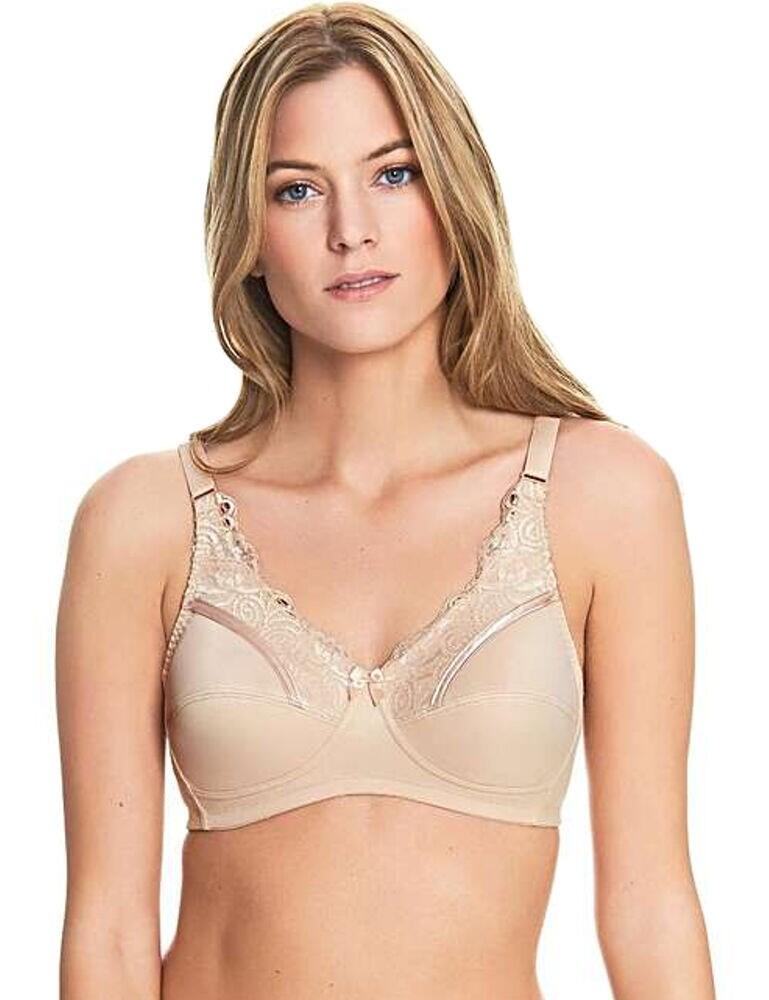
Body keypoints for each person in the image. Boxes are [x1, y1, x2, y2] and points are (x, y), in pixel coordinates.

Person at [56, 4, 715, 998]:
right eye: (296, 189)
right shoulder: (144, 520)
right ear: (246, 235)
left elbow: (648, 903)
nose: (350, 229)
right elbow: (106, 930)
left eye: (393, 173)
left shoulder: (605, 497)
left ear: (454, 192)